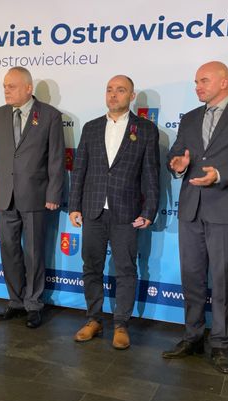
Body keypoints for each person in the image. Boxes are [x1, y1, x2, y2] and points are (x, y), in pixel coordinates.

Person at [162, 61, 228, 373]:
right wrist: (177, 164)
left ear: (223, 82)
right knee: (192, 277)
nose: (198, 87)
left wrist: (219, 174)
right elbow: (176, 154)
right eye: (196, 82)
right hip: (191, 208)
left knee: (220, 280)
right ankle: (192, 336)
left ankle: (220, 344)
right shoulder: (191, 118)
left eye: (204, 81)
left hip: (224, 208)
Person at [68, 75, 160, 349]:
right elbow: (79, 169)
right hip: (93, 210)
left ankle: (121, 325)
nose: (113, 94)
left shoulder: (146, 129)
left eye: (120, 90)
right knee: (91, 268)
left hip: (127, 212)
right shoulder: (91, 127)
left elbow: (151, 174)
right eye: (109, 89)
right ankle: (93, 320)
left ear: (132, 96)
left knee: (126, 270)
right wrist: (74, 205)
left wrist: (149, 210)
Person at [0, 67, 64, 328]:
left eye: (11, 86)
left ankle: (33, 304)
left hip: (36, 195)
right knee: (9, 250)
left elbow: (56, 159)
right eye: (4, 86)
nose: (6, 90)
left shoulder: (49, 115)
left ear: (28, 88)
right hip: (5, 195)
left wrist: (53, 193)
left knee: (34, 253)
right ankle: (15, 301)